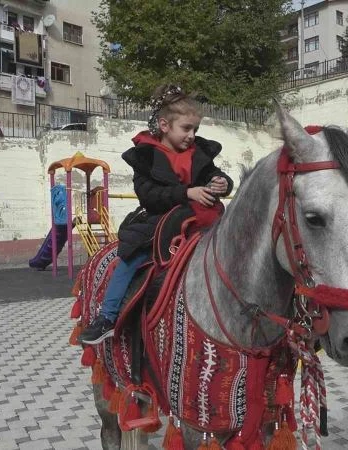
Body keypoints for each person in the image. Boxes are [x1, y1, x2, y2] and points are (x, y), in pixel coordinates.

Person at [79, 84, 233, 345]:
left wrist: (221, 182)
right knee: (130, 259)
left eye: (195, 129)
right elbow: (148, 195)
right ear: (164, 125)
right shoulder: (146, 156)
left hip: (200, 220)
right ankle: (107, 317)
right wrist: (187, 193)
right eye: (186, 128)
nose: (192, 135)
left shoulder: (199, 154)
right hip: (159, 221)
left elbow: (214, 175)